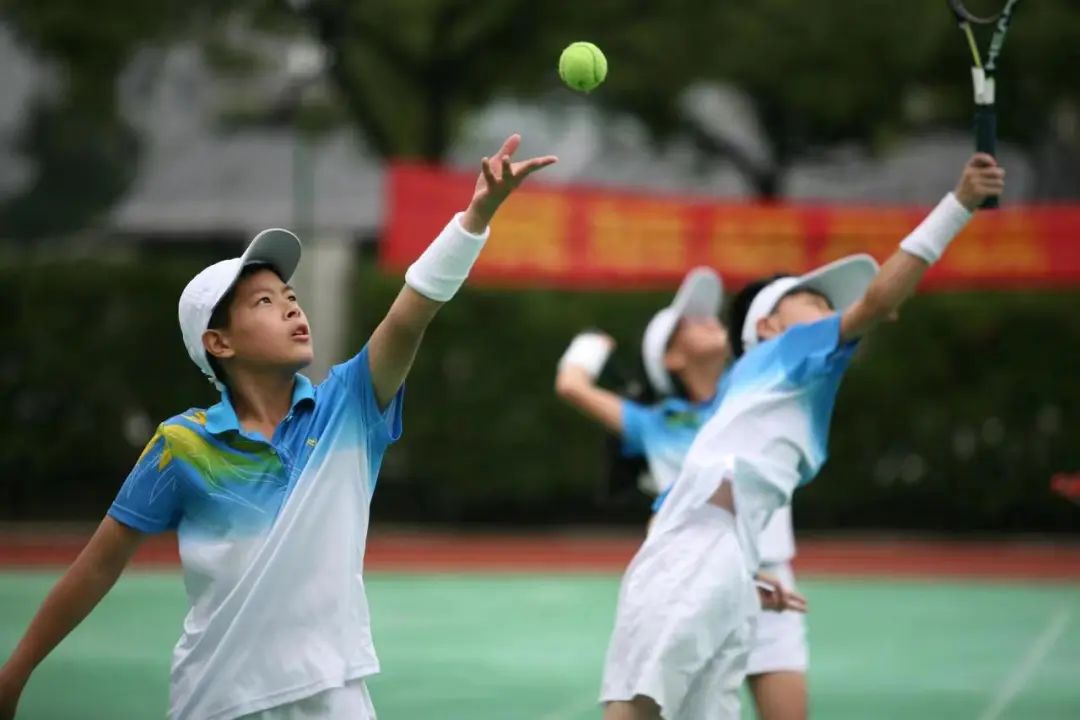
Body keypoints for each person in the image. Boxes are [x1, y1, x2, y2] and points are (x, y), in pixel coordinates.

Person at [0, 134, 557, 720]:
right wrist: (15, 673)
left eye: (289, 295)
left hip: (336, 695)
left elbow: (412, 312)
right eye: (264, 302)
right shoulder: (181, 445)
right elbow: (98, 564)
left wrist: (474, 219)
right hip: (216, 702)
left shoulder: (350, 405)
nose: (292, 305)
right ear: (219, 343)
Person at [599, 153, 1006, 720]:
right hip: (695, 558)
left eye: (826, 304)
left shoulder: (768, 389)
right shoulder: (785, 353)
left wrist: (741, 573)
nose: (826, 309)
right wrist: (959, 203)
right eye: (811, 300)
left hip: (730, 567)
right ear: (768, 327)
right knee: (636, 710)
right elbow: (879, 300)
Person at [555, 268, 810, 719]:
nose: (707, 319)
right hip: (691, 585)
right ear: (671, 358)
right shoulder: (655, 424)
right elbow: (571, 385)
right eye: (687, 323)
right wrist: (589, 344)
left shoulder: (754, 390)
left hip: (771, 583)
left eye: (708, 315)